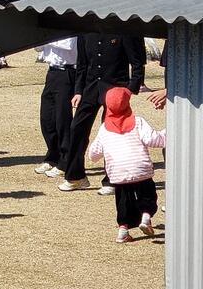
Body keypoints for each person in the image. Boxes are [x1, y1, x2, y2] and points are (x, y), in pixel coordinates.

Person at [58, 33, 146, 193]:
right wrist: (78, 91)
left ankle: (111, 180)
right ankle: (76, 176)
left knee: (112, 134)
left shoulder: (122, 31)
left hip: (115, 88)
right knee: (77, 128)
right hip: (90, 88)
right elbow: (82, 64)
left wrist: (129, 90)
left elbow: (137, 63)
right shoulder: (85, 33)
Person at [88, 87, 165, 243]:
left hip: (118, 173)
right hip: (140, 169)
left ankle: (123, 229)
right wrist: (168, 133)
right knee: (147, 195)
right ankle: (146, 216)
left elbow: (93, 154)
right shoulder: (138, 122)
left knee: (123, 200)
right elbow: (154, 140)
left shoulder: (104, 129)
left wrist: (94, 156)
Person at [33, 38, 77, 179]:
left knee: (62, 119)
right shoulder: (51, 33)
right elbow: (38, 48)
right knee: (47, 118)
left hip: (67, 72)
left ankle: (65, 162)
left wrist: (47, 38)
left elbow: (69, 45)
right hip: (52, 72)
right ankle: (53, 156)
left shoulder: (69, 29)